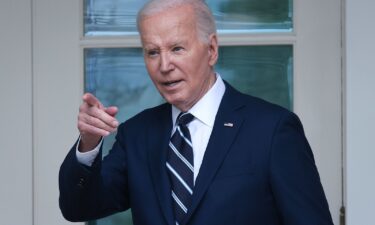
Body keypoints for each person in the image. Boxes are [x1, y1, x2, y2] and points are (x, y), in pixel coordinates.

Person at [59, 0, 334, 224]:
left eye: (177, 48)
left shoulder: (273, 130)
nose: (164, 65)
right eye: (152, 52)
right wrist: (89, 143)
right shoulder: (137, 135)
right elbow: (78, 208)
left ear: (211, 50)